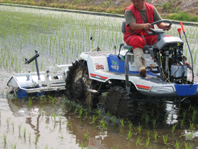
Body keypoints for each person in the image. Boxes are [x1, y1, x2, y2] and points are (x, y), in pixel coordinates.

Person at [124, 0, 171, 77]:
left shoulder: (151, 8)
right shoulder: (129, 11)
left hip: (148, 34)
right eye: (133, 1)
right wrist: (143, 26)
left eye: (137, 1)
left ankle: (167, 67)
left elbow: (159, 23)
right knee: (138, 41)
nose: (135, 4)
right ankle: (142, 67)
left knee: (165, 40)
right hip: (132, 35)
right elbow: (132, 25)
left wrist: (164, 26)